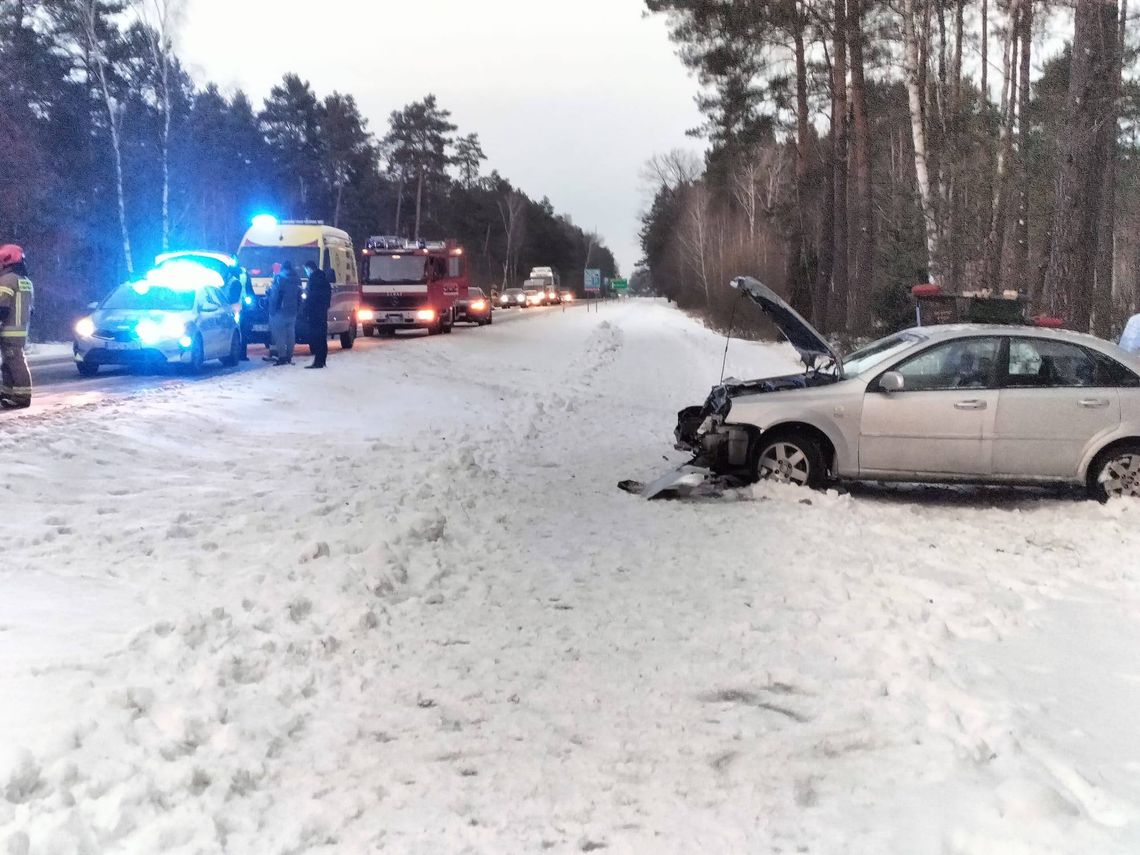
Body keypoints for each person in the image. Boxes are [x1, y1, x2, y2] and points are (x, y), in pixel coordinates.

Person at [0, 245, 34, 409]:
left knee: (15, 363)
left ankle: (21, 396)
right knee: (9, 362)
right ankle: (8, 393)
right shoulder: (26, 281)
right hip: (20, 330)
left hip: (8, 330)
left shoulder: (7, 280)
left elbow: (2, 306)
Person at [265, 259, 300, 366]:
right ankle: (289, 355)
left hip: (279, 310)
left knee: (279, 334)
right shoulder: (296, 278)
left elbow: (275, 294)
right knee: (291, 334)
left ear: (282, 268)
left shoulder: (279, 278)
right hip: (292, 310)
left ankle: (282, 356)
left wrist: (269, 296)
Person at [303, 260, 331, 369]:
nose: (306, 272)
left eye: (306, 270)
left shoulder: (313, 280)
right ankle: (322, 360)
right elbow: (327, 297)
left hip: (315, 313)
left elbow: (310, 297)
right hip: (322, 312)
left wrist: (306, 309)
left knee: (317, 337)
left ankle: (318, 362)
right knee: (322, 337)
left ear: (310, 268)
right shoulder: (324, 279)